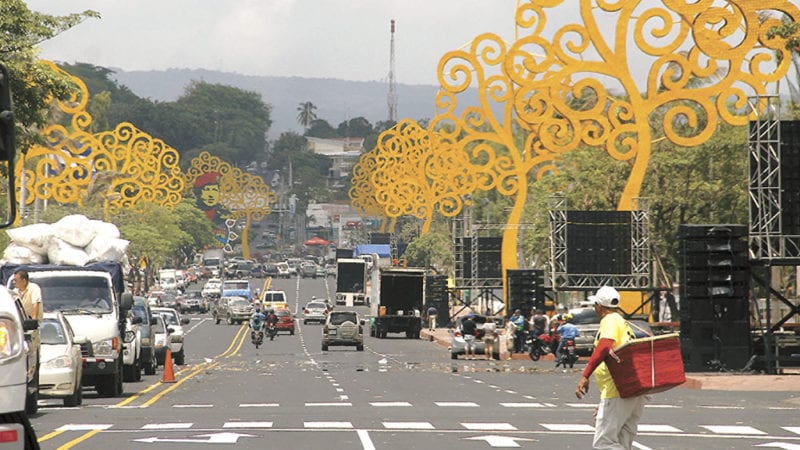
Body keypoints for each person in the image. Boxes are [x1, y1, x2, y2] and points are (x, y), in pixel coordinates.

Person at [576, 286, 642, 450]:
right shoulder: (621, 321)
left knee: (604, 443)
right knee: (621, 442)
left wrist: (586, 375)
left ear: (599, 306)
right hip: (631, 390)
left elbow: (604, 346)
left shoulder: (610, 320)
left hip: (617, 390)